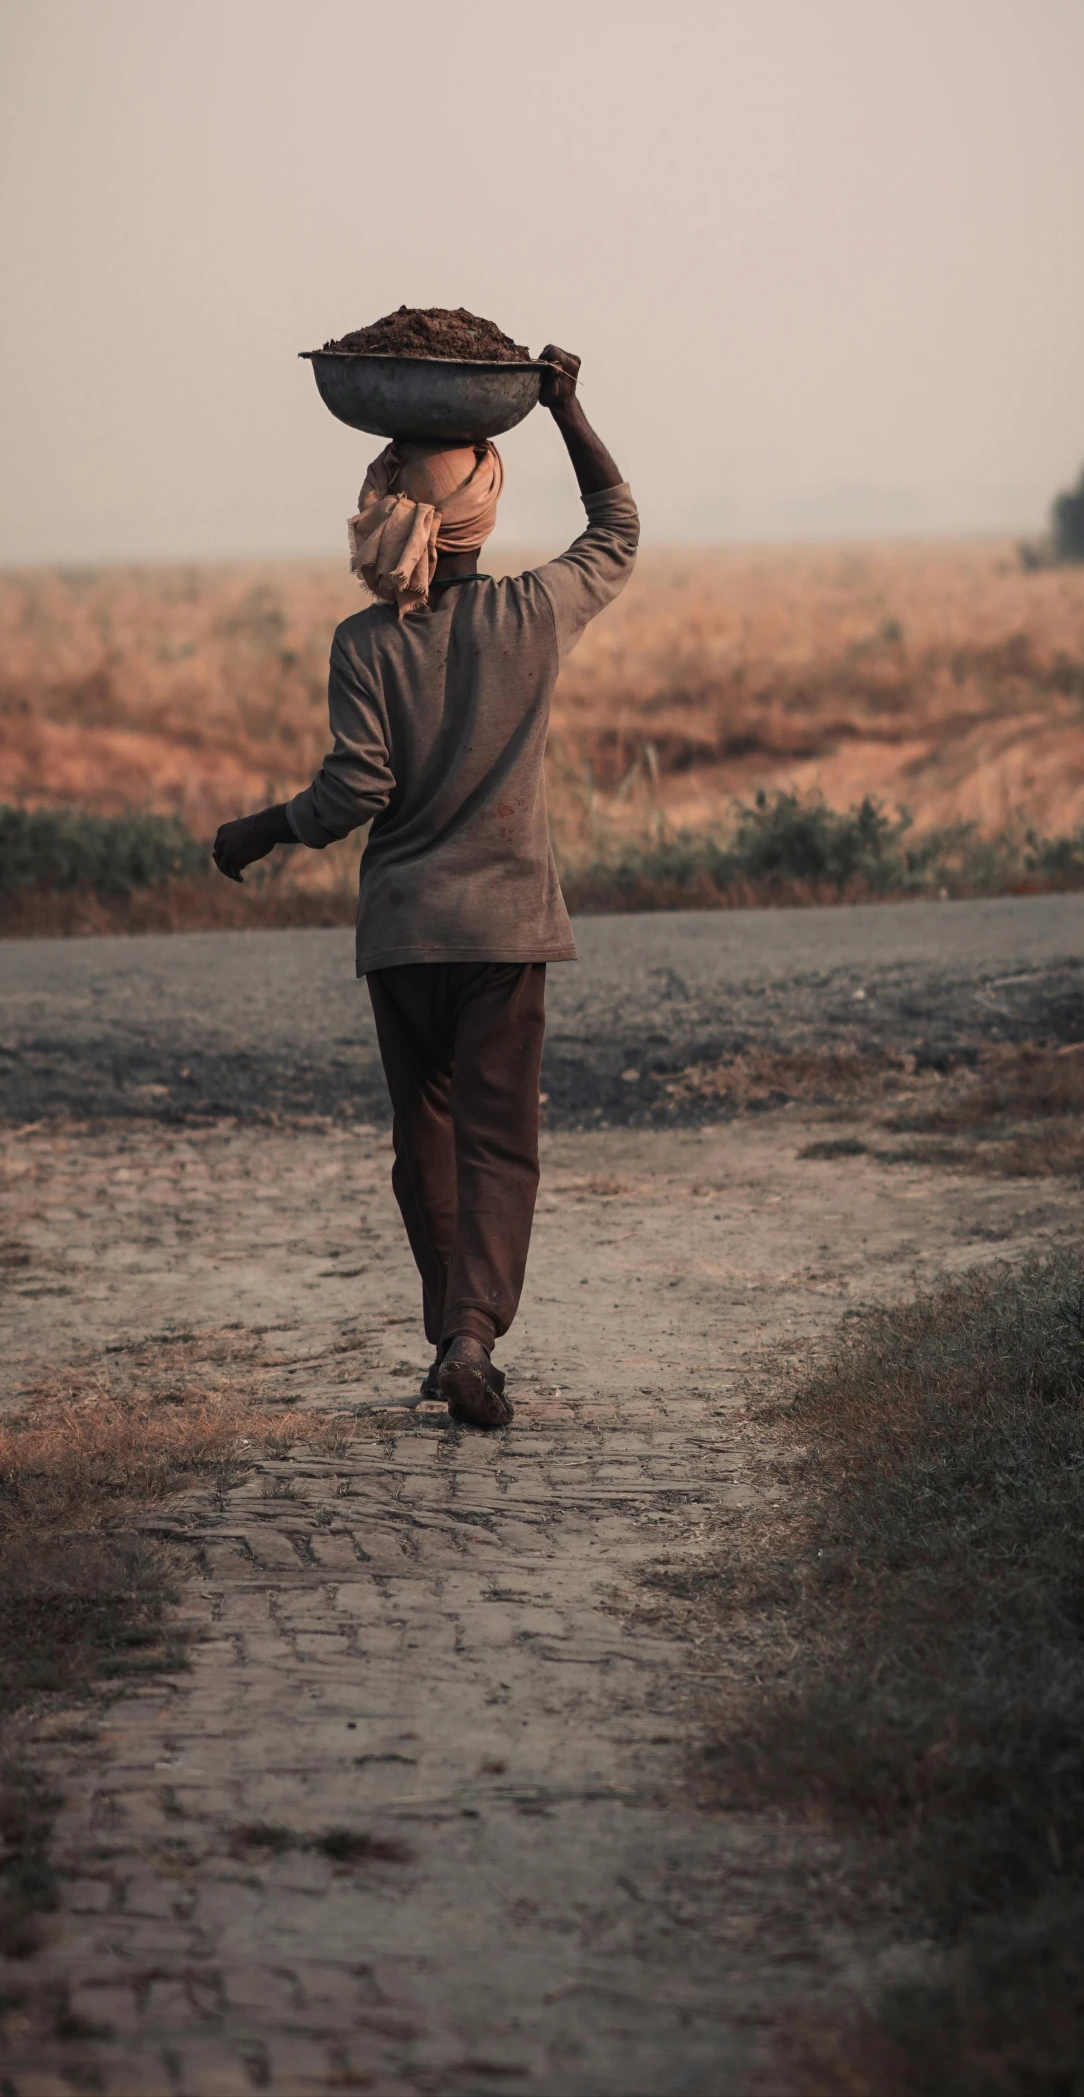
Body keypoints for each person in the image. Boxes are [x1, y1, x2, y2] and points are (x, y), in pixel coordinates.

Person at [212, 347, 639, 1428]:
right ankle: (470, 1338)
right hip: (505, 932)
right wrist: (568, 411)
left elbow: (356, 787)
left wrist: (259, 831)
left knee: (427, 1139)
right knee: (500, 1142)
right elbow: (618, 527)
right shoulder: (535, 613)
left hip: (402, 936)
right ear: (482, 519)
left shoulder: (363, 643)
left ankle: (450, 1329)